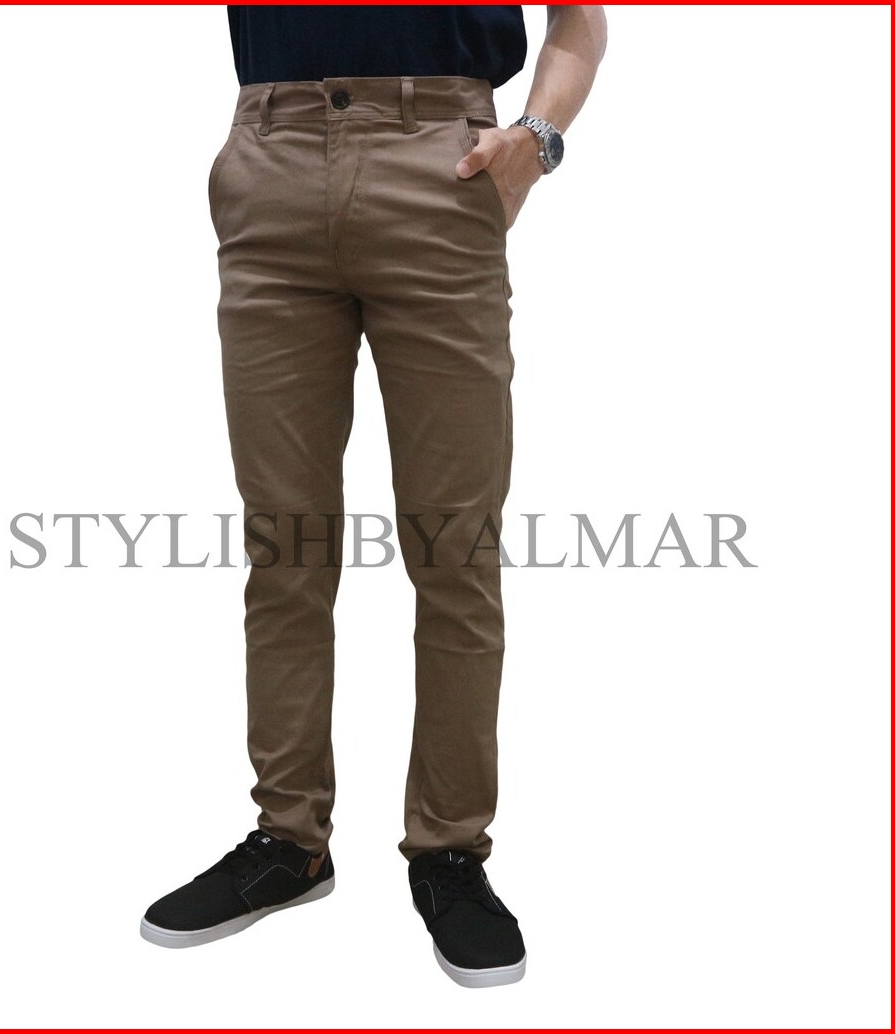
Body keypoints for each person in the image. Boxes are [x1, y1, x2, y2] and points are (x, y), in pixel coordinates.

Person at [141, 5, 607, 988]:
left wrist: (537, 138)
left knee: (453, 550)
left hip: (440, 164)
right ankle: (289, 840)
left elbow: (577, 18)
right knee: (285, 550)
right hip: (269, 159)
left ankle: (449, 852)